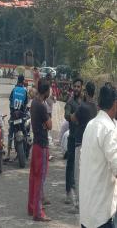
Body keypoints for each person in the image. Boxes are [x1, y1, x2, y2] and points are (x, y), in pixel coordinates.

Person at [79, 84, 117, 228]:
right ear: (115, 104)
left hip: (88, 212)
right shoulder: (108, 129)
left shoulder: (91, 125)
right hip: (102, 216)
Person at [28, 78, 53, 222]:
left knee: (33, 178)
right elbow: (49, 125)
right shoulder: (42, 106)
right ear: (47, 91)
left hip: (36, 144)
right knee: (40, 179)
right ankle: (38, 212)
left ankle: (32, 207)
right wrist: (47, 120)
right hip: (42, 145)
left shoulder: (34, 103)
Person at [72, 81, 97, 213]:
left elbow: (73, 118)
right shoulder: (96, 108)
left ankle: (80, 204)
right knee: (89, 175)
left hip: (80, 143)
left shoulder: (82, 107)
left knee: (79, 175)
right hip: (92, 146)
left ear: (86, 92)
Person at [64, 78, 83, 206]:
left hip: (82, 139)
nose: (76, 88)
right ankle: (68, 192)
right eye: (75, 86)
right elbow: (66, 115)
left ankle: (78, 190)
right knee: (70, 165)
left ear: (81, 88)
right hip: (72, 138)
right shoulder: (70, 102)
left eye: (78, 86)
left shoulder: (84, 102)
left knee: (80, 166)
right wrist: (73, 117)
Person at [5, 74, 28, 161]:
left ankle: (8, 154)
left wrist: (13, 111)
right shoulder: (25, 91)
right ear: (23, 81)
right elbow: (25, 103)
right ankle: (26, 151)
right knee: (25, 133)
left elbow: (10, 101)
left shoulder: (14, 90)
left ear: (18, 80)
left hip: (13, 116)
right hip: (21, 116)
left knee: (10, 134)